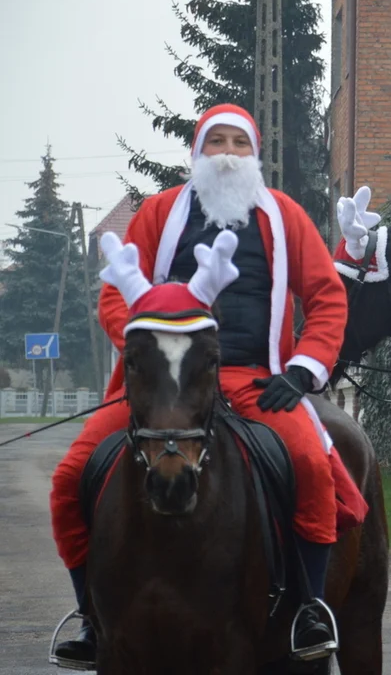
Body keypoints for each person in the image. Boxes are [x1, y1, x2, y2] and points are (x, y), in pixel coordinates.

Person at [49, 104, 348, 665]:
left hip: (256, 377)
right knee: (69, 476)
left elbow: (327, 296)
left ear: (255, 154)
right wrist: (142, 347)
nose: (229, 154)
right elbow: (116, 293)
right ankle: (92, 615)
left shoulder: (286, 216)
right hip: (167, 384)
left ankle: (309, 608)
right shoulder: (161, 211)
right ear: (197, 152)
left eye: (240, 143)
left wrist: (304, 369)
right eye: (218, 143)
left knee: (312, 465)